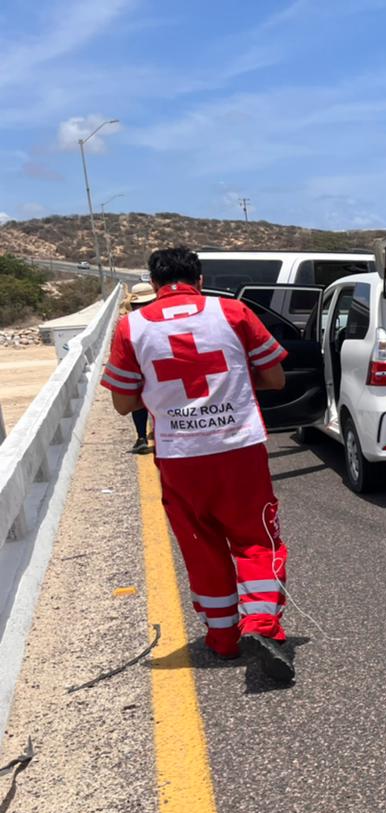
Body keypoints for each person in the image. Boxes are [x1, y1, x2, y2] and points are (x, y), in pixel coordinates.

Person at [100, 248, 295, 682]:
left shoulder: (131, 326)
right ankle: (263, 625)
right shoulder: (234, 311)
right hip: (239, 448)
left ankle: (223, 640)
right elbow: (276, 378)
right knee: (255, 538)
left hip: (180, 457)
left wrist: (167, 401)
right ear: (200, 279)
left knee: (201, 545)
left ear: (153, 284)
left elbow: (121, 403)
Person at [122, 282, 156, 453]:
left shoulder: (128, 321)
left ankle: (141, 436)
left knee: (138, 402)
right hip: (159, 364)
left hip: (137, 364)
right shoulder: (160, 317)